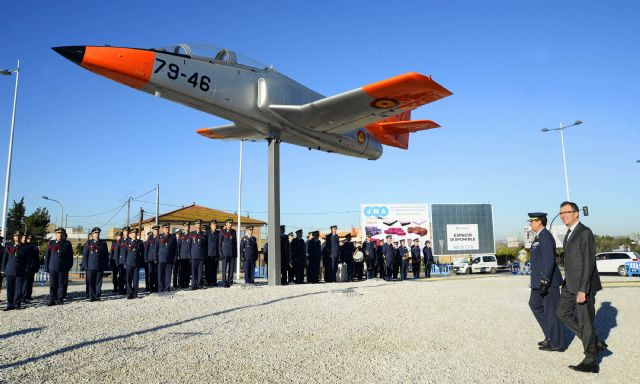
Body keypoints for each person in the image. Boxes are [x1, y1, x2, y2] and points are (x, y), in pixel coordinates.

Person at [555, 202, 605, 373]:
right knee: (561, 312)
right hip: (570, 284)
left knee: (586, 322)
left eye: (567, 212)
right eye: (561, 213)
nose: (563, 216)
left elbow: (588, 262)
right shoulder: (569, 233)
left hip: (583, 286)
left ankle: (591, 360)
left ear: (576, 213)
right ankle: (595, 342)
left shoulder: (584, 232)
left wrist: (583, 289)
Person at [526, 212, 565, 353]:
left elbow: (549, 260)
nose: (530, 224)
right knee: (534, 304)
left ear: (539, 222)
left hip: (548, 281)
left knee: (551, 311)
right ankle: (550, 335)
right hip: (539, 281)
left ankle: (557, 342)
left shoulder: (546, 237)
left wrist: (545, 280)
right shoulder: (539, 236)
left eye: (532, 221)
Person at [44, 228, 73, 306]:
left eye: (61, 233)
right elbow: (47, 256)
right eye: (58, 233)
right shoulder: (51, 243)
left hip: (63, 268)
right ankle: (52, 299)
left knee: (61, 284)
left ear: (64, 234)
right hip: (52, 267)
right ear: (55, 234)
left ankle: (60, 299)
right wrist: (46, 266)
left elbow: (70, 256)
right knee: (52, 284)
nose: (60, 235)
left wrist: (69, 266)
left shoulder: (67, 243)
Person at [82, 227, 109, 302]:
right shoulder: (88, 243)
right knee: (91, 282)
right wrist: (85, 265)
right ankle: (91, 296)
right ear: (92, 234)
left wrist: (105, 264)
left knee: (98, 282)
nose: (97, 234)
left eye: (98, 233)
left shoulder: (103, 243)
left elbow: (106, 255)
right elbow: (85, 255)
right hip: (90, 266)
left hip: (100, 265)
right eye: (95, 233)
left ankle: (97, 296)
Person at [2, 231, 27, 310]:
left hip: (20, 271)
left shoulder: (25, 247)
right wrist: (3, 269)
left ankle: (17, 304)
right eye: (16, 236)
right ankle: (10, 304)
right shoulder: (9, 246)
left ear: (21, 237)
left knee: (18, 288)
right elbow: (4, 259)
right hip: (10, 270)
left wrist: (26, 269)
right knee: (10, 288)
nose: (17, 237)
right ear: (13, 237)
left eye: (19, 236)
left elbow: (27, 260)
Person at [125, 228, 145, 299]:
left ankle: (135, 293)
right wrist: (125, 262)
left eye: (135, 233)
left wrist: (142, 262)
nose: (134, 234)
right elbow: (125, 253)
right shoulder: (127, 242)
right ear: (130, 234)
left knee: (136, 279)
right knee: (129, 279)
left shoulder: (140, 242)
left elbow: (142, 253)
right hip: (129, 263)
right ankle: (129, 294)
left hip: (137, 263)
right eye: (133, 233)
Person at [157, 223, 177, 292]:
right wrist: (156, 259)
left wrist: (174, 258)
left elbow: (175, 249)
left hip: (169, 259)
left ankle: (167, 288)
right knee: (161, 275)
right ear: (163, 229)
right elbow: (157, 248)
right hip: (161, 258)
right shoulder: (159, 237)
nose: (167, 229)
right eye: (165, 228)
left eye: (168, 228)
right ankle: (161, 288)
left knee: (168, 275)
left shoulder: (173, 237)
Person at [189, 219, 207, 290]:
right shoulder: (192, 233)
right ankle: (193, 285)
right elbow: (189, 246)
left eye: (199, 224)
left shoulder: (203, 234)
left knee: (200, 271)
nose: (198, 226)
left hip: (201, 255)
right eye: (197, 224)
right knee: (194, 271)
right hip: (194, 255)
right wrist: (190, 255)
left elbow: (205, 246)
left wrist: (204, 255)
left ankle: (200, 284)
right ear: (195, 225)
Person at [23, 234, 41, 302]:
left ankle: (28, 295)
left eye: (30, 239)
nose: (29, 240)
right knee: (25, 282)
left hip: (32, 267)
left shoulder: (34, 247)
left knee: (30, 282)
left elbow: (37, 258)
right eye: (28, 239)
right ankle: (24, 296)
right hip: (25, 267)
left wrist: (37, 266)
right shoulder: (24, 246)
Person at [219, 219, 237, 287]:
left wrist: (235, 253)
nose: (230, 224)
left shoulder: (233, 231)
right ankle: (224, 282)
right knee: (224, 268)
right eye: (228, 223)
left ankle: (230, 281)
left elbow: (235, 243)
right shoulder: (222, 231)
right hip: (225, 253)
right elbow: (220, 243)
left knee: (231, 269)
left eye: (230, 223)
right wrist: (221, 253)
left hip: (232, 253)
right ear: (226, 224)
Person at [176, 222, 191, 288]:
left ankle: (186, 283)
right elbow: (178, 246)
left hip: (189, 256)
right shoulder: (181, 236)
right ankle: (181, 283)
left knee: (188, 271)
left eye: (188, 226)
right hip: (182, 256)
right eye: (186, 226)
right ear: (184, 227)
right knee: (182, 271)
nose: (187, 227)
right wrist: (178, 255)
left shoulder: (191, 235)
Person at [145, 225, 160, 293]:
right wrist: (146, 257)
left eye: (157, 230)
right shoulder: (150, 238)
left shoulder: (160, 237)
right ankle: (150, 287)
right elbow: (146, 249)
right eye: (155, 230)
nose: (156, 231)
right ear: (153, 231)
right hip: (150, 259)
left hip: (158, 259)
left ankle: (156, 287)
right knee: (151, 273)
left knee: (157, 274)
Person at [206, 220, 220, 287]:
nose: (215, 226)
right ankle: (208, 282)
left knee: (215, 268)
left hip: (215, 253)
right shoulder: (207, 233)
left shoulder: (218, 233)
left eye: (215, 224)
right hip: (208, 254)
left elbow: (219, 244)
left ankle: (214, 281)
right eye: (213, 225)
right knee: (208, 268)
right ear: (210, 226)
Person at [117, 227, 130, 294]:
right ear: (123, 232)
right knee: (121, 276)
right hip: (121, 261)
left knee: (128, 276)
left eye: (127, 231)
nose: (126, 232)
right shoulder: (120, 241)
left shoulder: (130, 240)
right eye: (125, 231)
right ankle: (121, 289)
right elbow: (117, 252)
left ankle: (127, 289)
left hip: (129, 261)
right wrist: (117, 261)